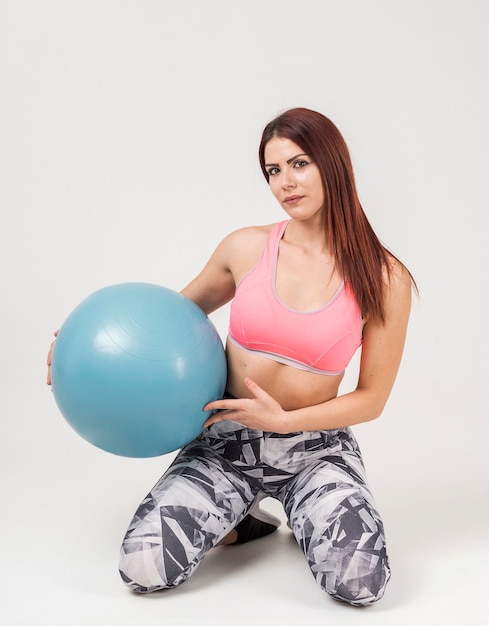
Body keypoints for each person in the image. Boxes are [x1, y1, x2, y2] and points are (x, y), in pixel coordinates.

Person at [47, 108, 414, 607]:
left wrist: (285, 422)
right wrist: (82, 349)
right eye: (273, 171)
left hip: (314, 449)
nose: (286, 182)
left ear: (333, 163)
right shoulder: (246, 248)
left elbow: (372, 399)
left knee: (361, 584)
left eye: (299, 163)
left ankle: (308, 516)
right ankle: (246, 522)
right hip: (225, 444)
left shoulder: (384, 277)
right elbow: (164, 321)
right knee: (142, 568)